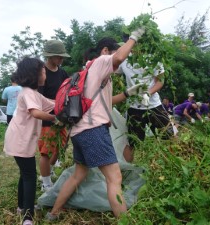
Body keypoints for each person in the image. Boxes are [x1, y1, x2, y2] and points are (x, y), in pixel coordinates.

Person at [46, 28, 146, 221]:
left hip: (80, 131)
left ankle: (54, 213)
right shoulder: (101, 62)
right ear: (106, 51)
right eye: (117, 52)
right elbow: (118, 59)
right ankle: (124, 221)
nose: (122, 60)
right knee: (114, 178)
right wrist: (133, 38)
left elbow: (104, 103)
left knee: (79, 173)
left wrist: (128, 93)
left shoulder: (94, 73)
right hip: (93, 131)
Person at [3, 57, 62, 225]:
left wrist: (67, 102)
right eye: (43, 72)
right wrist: (56, 118)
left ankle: (22, 207)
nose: (45, 74)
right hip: (20, 140)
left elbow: (52, 103)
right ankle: (27, 217)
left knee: (25, 173)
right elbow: (36, 113)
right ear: (34, 75)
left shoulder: (34, 94)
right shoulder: (28, 93)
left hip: (21, 139)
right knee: (30, 175)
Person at [117, 49, 173, 163]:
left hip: (154, 105)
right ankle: (127, 171)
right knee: (132, 143)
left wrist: (148, 93)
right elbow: (111, 70)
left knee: (169, 135)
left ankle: (172, 165)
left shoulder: (154, 58)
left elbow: (160, 81)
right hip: (134, 107)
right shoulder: (124, 58)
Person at [38, 40, 70, 192]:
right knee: (45, 150)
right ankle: (45, 183)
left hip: (61, 116)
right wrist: (57, 103)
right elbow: (39, 98)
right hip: (46, 117)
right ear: (50, 56)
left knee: (61, 146)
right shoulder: (41, 72)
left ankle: (49, 172)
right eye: (59, 57)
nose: (61, 60)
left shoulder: (62, 72)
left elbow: (67, 90)